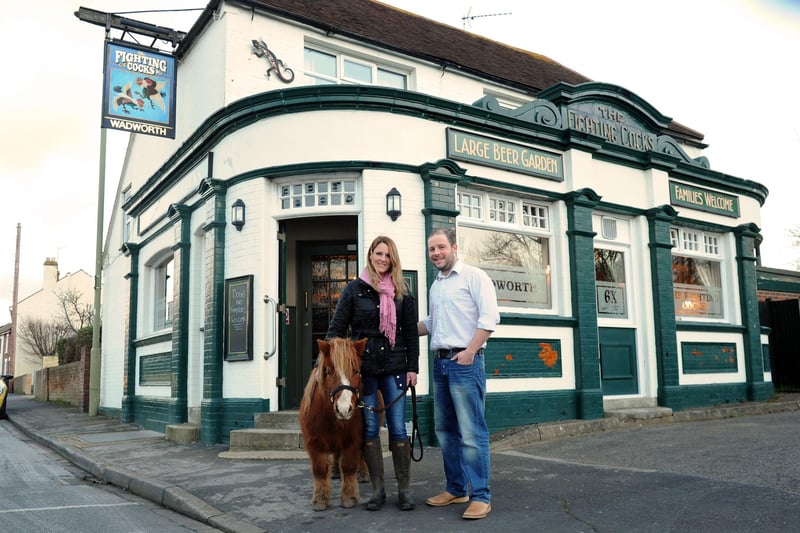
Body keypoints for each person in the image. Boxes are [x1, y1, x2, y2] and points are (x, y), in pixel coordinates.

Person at [326, 235, 420, 511]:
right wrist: (340, 361)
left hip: (396, 367)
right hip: (364, 371)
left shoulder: (403, 292)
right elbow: (335, 331)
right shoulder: (354, 290)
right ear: (370, 255)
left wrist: (413, 367)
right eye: (379, 254)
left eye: (388, 255)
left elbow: (411, 334)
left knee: (398, 427)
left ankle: (403, 491)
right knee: (369, 427)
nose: (383, 259)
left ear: (394, 259)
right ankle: (378, 491)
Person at [418, 228, 500, 520]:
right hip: (440, 364)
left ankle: (481, 496)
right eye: (431, 249)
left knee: (472, 433)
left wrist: (469, 352)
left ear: (454, 247)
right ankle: (456, 489)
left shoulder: (474, 276)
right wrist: (402, 329)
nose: (436, 253)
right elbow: (433, 321)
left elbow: (490, 318)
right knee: (445, 432)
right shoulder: (436, 285)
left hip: (465, 363)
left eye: (440, 247)